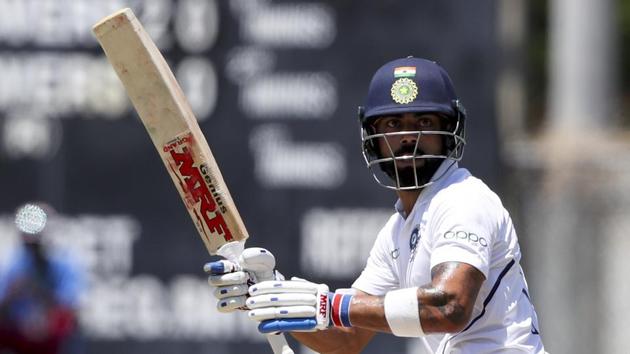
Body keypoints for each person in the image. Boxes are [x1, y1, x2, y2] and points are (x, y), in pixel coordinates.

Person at [205, 57, 545, 353]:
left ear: (449, 131)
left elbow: (450, 306)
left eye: (424, 122)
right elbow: (346, 340)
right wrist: (269, 294)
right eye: (394, 125)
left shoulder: (464, 199)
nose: (409, 138)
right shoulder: (397, 231)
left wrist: (329, 305)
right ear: (372, 138)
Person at [0, 203, 83, 354]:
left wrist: (38, 290)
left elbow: (70, 306)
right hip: (18, 336)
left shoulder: (65, 262)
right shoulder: (13, 263)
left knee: (70, 330)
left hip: (54, 338)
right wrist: (13, 293)